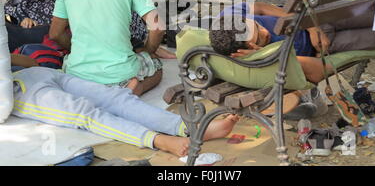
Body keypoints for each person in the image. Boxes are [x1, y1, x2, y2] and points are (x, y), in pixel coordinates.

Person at [10, 66, 239, 157]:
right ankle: (159, 140)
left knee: (115, 97)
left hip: (31, 72)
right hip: (13, 91)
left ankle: (190, 127)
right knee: (84, 113)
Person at [209, 1, 375, 84]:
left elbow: (260, 7)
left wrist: (309, 26)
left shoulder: (230, 17)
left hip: (315, 19)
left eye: (257, 26)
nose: (265, 31)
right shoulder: (259, 62)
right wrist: (263, 56)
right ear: (249, 50)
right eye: (260, 38)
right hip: (324, 47)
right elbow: (317, 71)